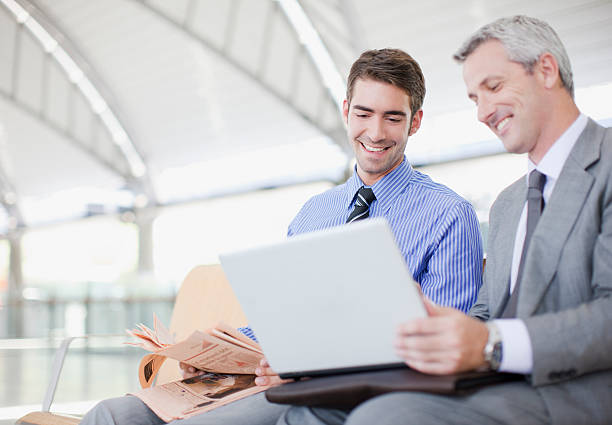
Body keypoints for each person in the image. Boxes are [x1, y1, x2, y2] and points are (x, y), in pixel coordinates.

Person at [80, 48, 483, 425]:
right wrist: (216, 353)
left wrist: (308, 371)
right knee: (111, 414)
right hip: (271, 378)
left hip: (348, 392)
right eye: (363, 113)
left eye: (393, 118)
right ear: (346, 112)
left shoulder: (449, 215)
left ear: (415, 121)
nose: (375, 132)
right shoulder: (314, 213)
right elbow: (283, 322)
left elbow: (447, 347)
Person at [276, 15, 612, 425]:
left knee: (379, 417)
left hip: (581, 395)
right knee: (307, 413)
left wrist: (491, 342)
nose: (483, 112)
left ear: (545, 70)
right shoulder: (508, 206)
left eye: (493, 87)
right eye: (474, 98)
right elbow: (485, 316)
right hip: (495, 384)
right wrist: (431, 319)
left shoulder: (605, 167)